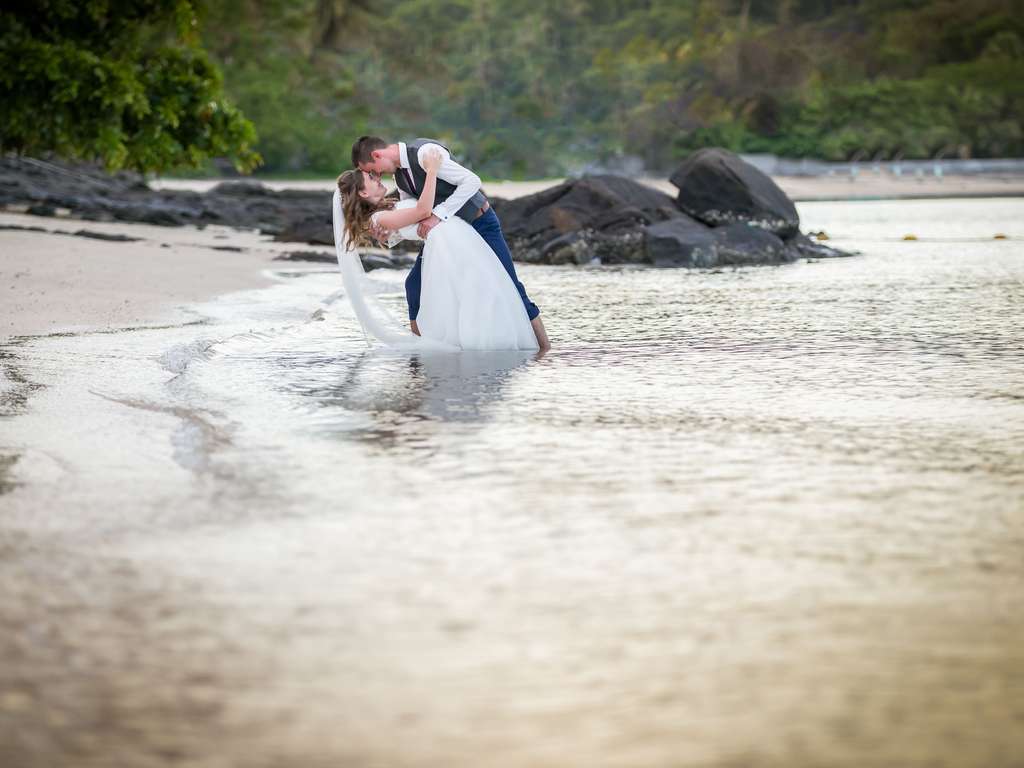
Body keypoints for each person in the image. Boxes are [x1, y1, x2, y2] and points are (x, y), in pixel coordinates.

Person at [351, 136, 551, 350]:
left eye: (373, 170)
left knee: (512, 286)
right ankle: (421, 350)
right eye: (372, 175)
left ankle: (545, 350)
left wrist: (438, 215)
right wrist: (391, 234)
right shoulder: (400, 177)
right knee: (414, 286)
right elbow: (414, 212)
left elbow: (472, 181)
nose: (376, 175)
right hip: (449, 236)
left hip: (479, 223)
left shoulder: (425, 153)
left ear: (377, 155)